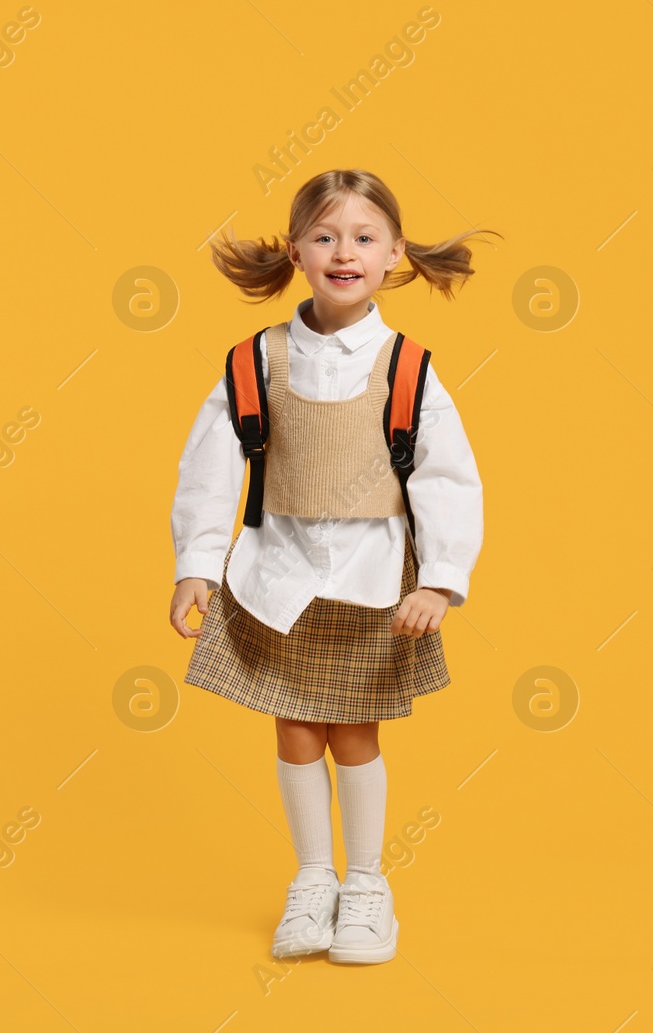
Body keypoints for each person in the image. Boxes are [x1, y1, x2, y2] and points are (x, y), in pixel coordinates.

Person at [169, 168, 491, 964]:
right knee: (295, 726)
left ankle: (368, 886)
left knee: (354, 732)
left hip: (371, 577)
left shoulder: (408, 370)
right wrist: (196, 566)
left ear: (394, 256)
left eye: (363, 237)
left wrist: (440, 579)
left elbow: (448, 478)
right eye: (324, 235)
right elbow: (209, 469)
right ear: (296, 252)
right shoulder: (256, 362)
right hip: (278, 575)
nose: (343, 251)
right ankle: (313, 880)